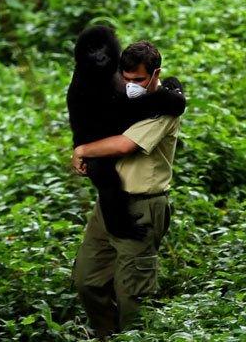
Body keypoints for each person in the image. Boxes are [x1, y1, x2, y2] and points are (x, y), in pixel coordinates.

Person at [71, 41, 182, 338]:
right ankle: (107, 334)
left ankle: (134, 335)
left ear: (155, 73)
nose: (131, 86)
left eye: (139, 80)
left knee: (133, 294)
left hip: (143, 205)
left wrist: (83, 149)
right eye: (127, 79)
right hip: (108, 204)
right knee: (87, 281)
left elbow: (125, 144)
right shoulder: (120, 95)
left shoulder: (163, 107)